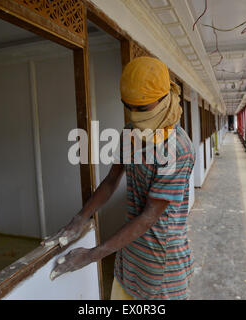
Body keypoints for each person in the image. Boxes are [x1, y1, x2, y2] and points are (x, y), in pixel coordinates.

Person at [42, 57, 196, 300]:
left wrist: (91, 255)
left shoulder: (178, 148)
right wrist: (81, 218)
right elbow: (112, 180)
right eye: (129, 106)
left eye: (142, 108)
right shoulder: (130, 133)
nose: (134, 116)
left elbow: (149, 216)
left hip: (161, 266)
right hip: (129, 256)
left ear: (164, 99)